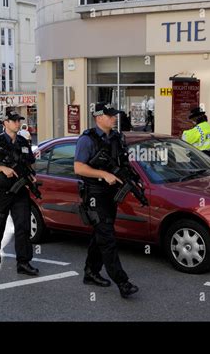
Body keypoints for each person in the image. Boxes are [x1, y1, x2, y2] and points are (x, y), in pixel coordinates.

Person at [74, 102, 139, 299]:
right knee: (107, 237)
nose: (114, 118)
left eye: (114, 115)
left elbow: (124, 164)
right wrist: (102, 173)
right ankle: (122, 282)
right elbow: (78, 168)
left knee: (100, 235)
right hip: (94, 194)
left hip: (110, 194)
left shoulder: (116, 138)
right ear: (98, 117)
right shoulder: (87, 139)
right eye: (110, 115)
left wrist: (134, 181)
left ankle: (91, 272)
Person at [0, 109, 39, 276]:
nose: (17, 123)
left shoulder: (23, 142)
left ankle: (23, 262)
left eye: (18, 120)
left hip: (20, 190)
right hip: (0, 190)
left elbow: (30, 164)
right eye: (13, 120)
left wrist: (31, 176)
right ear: (5, 123)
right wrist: (2, 168)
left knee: (23, 226)